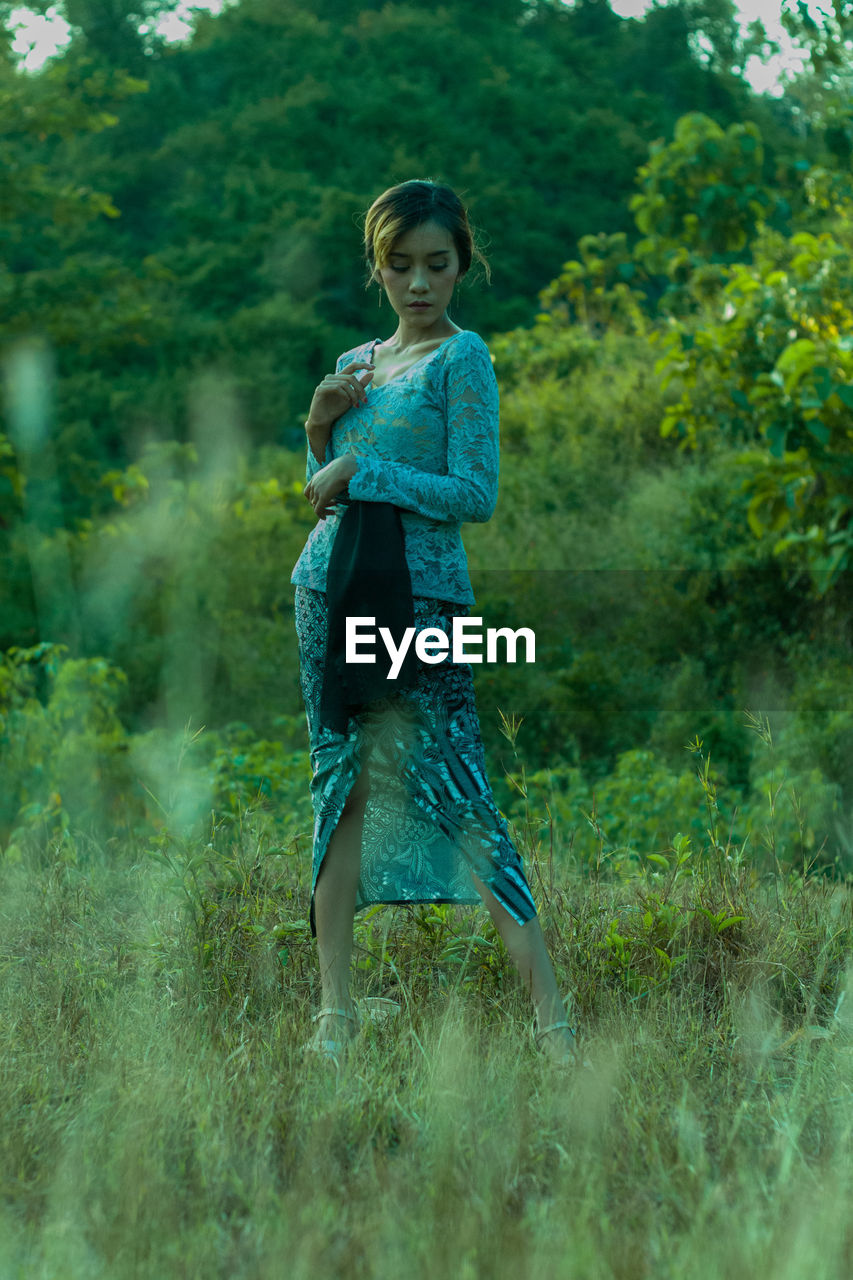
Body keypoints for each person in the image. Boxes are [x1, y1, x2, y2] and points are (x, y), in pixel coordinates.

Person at [290, 179, 582, 1068]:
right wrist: (318, 427)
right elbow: (318, 496)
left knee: (460, 794)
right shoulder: (358, 360)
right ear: (376, 267)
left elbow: (473, 494)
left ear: (462, 264)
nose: (418, 283)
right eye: (399, 265)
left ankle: (553, 1023)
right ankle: (334, 1014)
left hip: (423, 605)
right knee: (340, 790)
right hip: (329, 593)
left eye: (436, 265)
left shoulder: (464, 360)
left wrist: (359, 468)